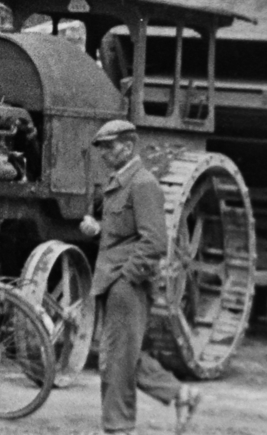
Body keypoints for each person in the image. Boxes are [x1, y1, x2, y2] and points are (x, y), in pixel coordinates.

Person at [82, 119, 200, 435]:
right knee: (124, 355)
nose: (104, 153)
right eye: (102, 148)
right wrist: (98, 232)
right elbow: (124, 236)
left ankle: (118, 428)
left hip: (124, 283)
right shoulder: (120, 182)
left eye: (110, 146)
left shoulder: (142, 183)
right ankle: (181, 395)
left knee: (116, 360)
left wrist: (128, 277)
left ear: (129, 146)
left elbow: (155, 240)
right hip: (112, 279)